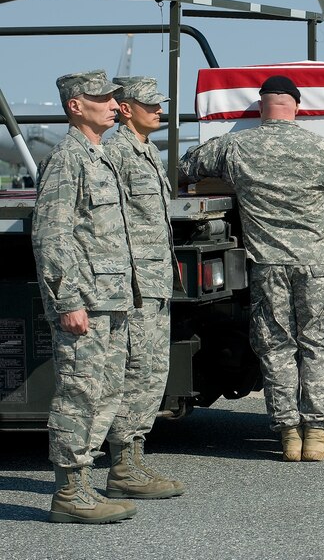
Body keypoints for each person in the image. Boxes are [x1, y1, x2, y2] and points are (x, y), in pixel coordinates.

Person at [179, 75, 324, 462]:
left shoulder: (235, 146)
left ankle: (289, 434)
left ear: (261, 107)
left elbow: (187, 165)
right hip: (315, 265)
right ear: (297, 106)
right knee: (320, 345)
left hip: (267, 265)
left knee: (276, 346)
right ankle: (316, 433)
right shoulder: (321, 149)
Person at [32, 70, 139, 523]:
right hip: (87, 301)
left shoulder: (99, 157)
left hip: (111, 299)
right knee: (79, 394)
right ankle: (69, 493)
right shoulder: (67, 159)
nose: (114, 105)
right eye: (102, 99)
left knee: (105, 393)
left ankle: (83, 486)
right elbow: (51, 237)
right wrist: (68, 301)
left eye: (115, 99)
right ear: (76, 105)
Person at [102, 76, 184, 498]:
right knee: (135, 371)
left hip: (155, 284)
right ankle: (122, 466)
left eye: (160, 105)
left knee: (153, 372)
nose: (159, 111)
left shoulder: (147, 150)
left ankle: (134, 458)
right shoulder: (116, 152)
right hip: (134, 285)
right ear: (125, 108)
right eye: (149, 105)